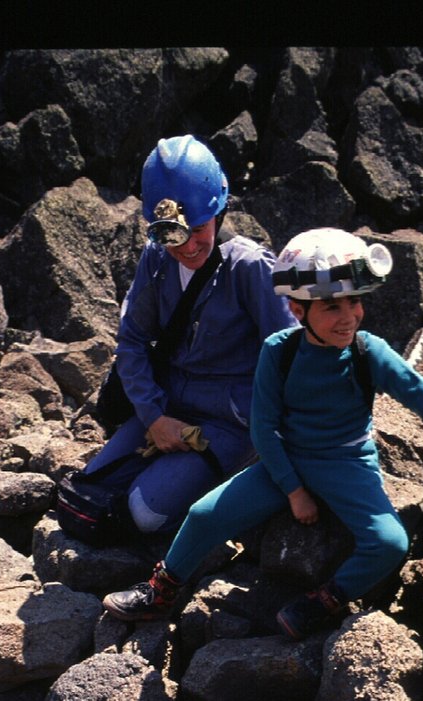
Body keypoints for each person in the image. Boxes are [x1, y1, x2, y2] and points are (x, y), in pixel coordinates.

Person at [102, 227, 423, 638]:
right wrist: (293, 490)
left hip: (347, 463)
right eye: (332, 306)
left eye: (355, 302)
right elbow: (264, 428)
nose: (348, 317)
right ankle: (161, 590)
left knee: (390, 542)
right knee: (202, 514)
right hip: (285, 461)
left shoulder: (372, 354)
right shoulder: (279, 352)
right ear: (297, 309)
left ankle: (326, 599)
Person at [82, 134, 295, 536]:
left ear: (220, 209)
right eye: (170, 234)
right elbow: (133, 341)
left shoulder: (249, 267)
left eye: (198, 229)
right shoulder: (156, 258)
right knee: (93, 486)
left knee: (145, 513)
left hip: (228, 421)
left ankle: (228, 497)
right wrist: (154, 416)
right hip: (168, 407)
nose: (187, 246)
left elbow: (290, 351)